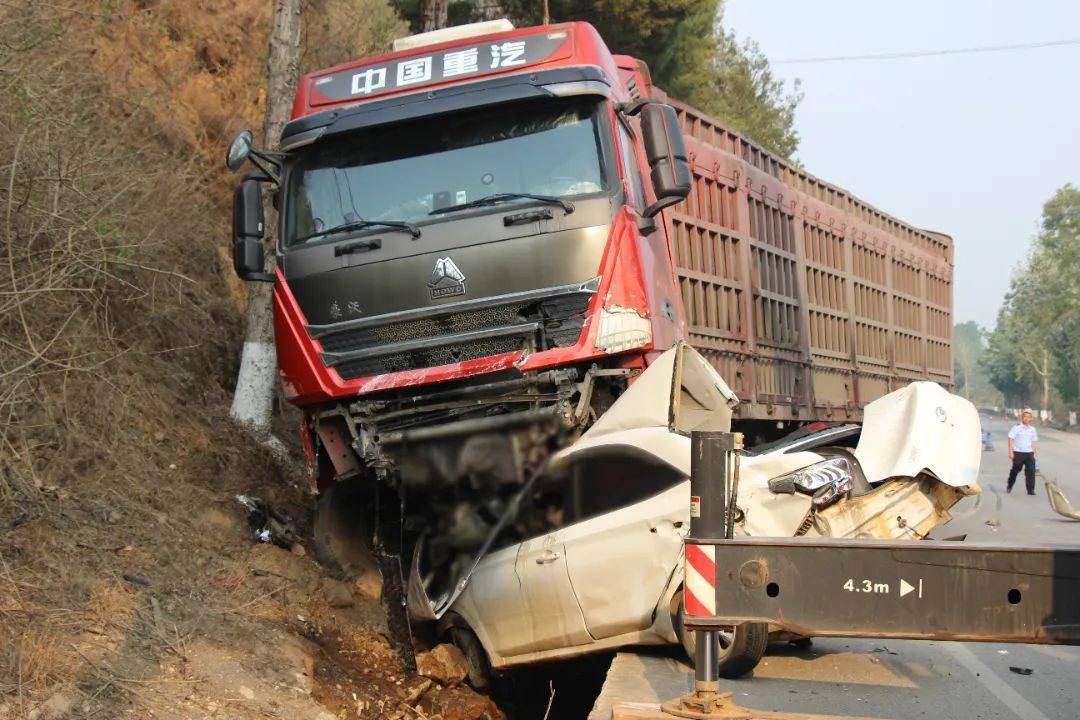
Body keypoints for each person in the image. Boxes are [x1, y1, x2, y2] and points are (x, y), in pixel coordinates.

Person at [1007, 409, 1039, 495]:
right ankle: (1010, 484)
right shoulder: (1016, 428)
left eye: (1029, 417)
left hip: (1029, 453)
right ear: (1022, 417)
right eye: (1025, 417)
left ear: (1031, 419)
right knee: (1015, 470)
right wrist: (1011, 452)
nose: (1026, 419)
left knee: (1031, 471)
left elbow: (1034, 441)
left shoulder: (1032, 429)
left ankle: (1030, 489)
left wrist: (1034, 454)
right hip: (1018, 452)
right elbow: (1011, 439)